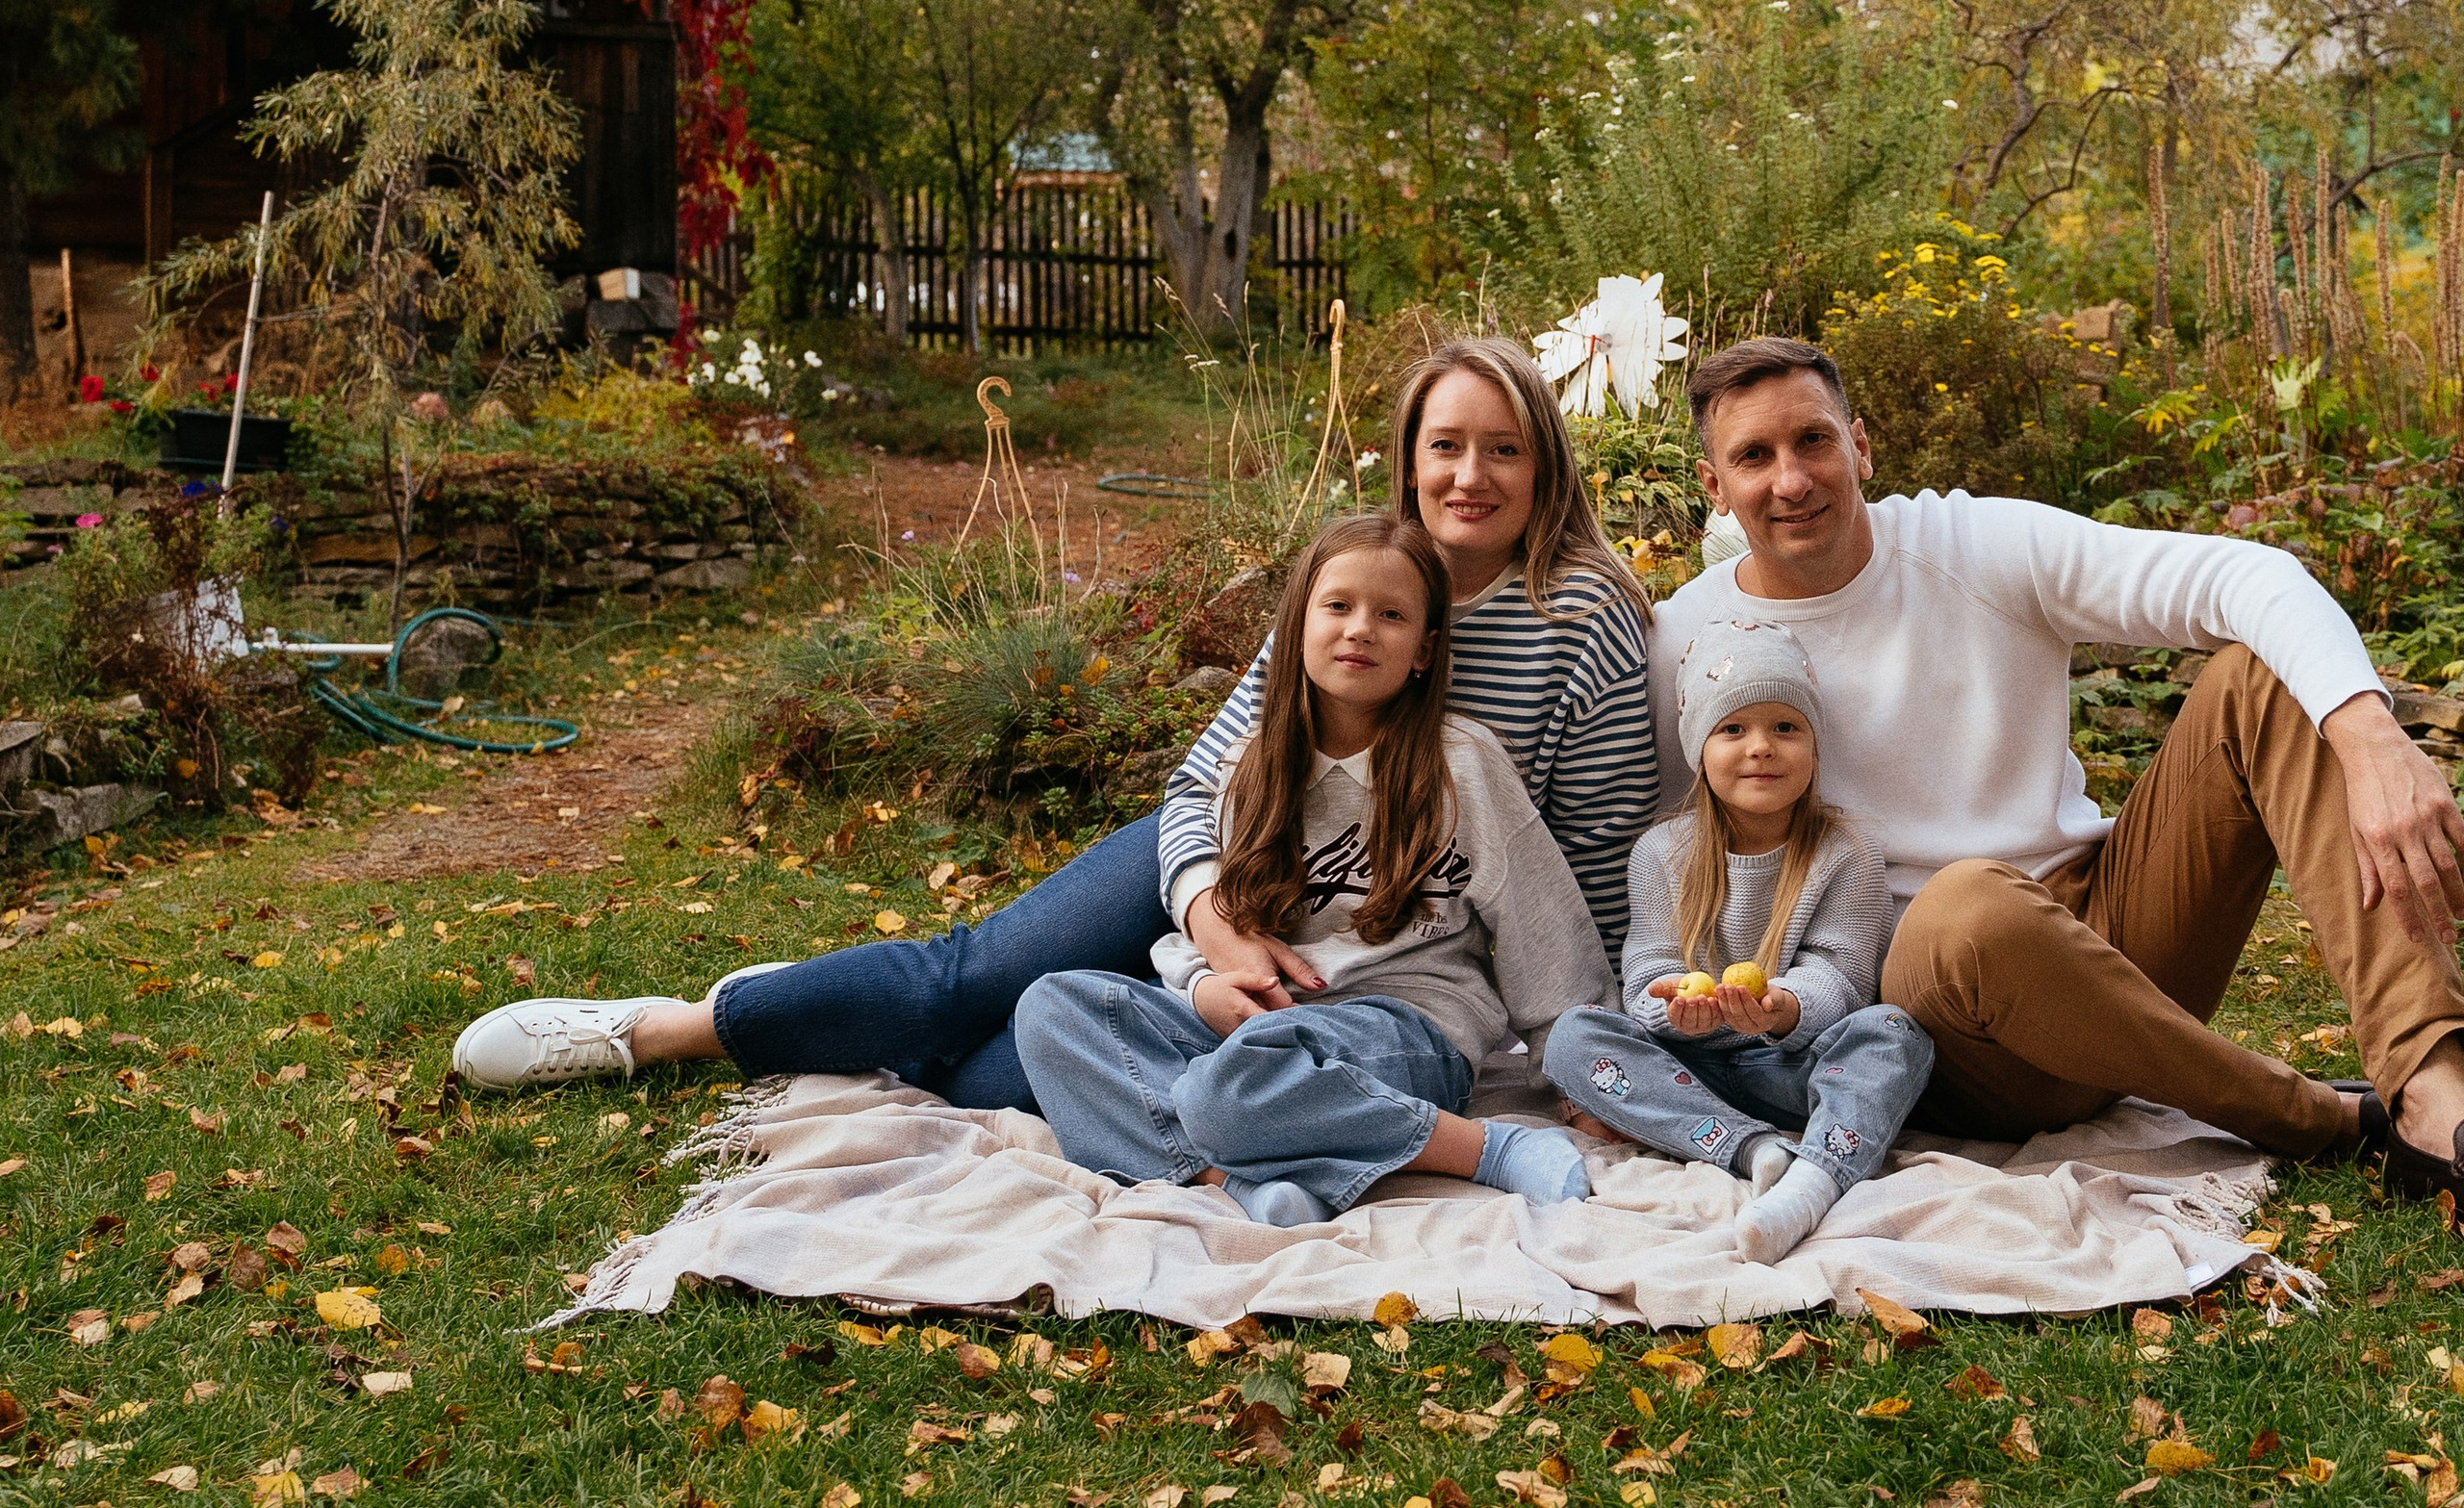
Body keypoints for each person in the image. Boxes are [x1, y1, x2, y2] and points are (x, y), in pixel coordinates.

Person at [449, 337, 1661, 1107]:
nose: (1471, 475)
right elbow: (1208, 782)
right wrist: (1214, 921)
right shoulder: (1356, 578)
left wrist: (1572, 1048)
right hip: (1235, 868)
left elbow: (1591, 857)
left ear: (1544, 462)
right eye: (1444, 444)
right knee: (977, 972)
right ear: (1407, 460)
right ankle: (668, 1029)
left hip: (1399, 922)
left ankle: (824, 1008)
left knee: (980, 1073)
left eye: (1503, 448)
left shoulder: (1585, 612)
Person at [1651, 333, 2464, 1205]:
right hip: (1937, 1018)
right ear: (1715, 488)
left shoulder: (1973, 544)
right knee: (1966, 905)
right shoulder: (1689, 638)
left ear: (1860, 443)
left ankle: (2432, 1092)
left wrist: (2372, 737)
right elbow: (1660, 848)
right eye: (1753, 456)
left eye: (1812, 440)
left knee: (2262, 676)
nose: (1791, 479)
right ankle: (2315, 1116)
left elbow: (2248, 575)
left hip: (2106, 934)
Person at [1014, 512, 1611, 1222]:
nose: (1360, 628)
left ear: (1423, 651)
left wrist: (1584, 1075)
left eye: (1390, 615)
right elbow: (1222, 928)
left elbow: (1541, 927)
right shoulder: (1250, 768)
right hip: (1261, 1028)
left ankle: (1486, 1150)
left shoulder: (1463, 766)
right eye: (1338, 606)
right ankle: (1234, 1186)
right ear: (1296, 628)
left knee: (1224, 1092)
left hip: (1403, 1029)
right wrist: (1205, 988)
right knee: (1052, 1008)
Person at [1544, 617, 1931, 1261]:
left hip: (1795, 1065)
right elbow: (1649, 972)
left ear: (1814, 745)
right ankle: (1755, 1151)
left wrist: (1785, 1007)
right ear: (1699, 747)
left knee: (1893, 1034)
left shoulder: (1847, 852)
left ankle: (1813, 1182)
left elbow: (1843, 973)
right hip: (1687, 1069)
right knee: (1572, 1037)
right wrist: (1671, 1007)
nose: (1761, 747)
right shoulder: (1662, 852)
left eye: (1786, 727)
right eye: (1733, 729)